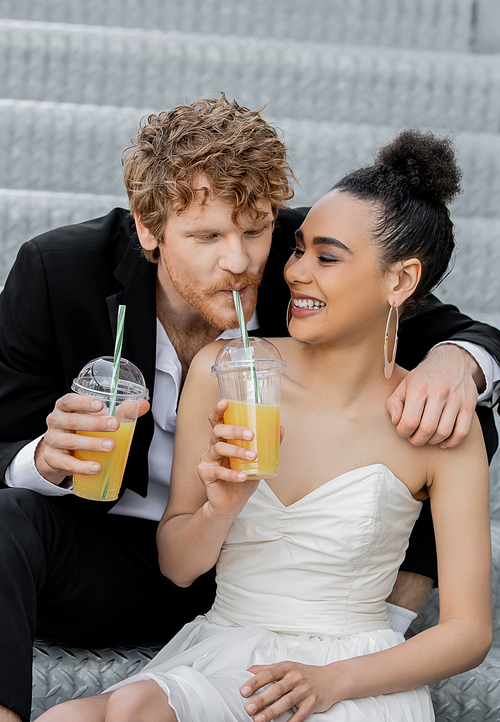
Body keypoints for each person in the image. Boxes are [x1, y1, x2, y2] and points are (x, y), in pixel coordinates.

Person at [0, 98, 498, 722]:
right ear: (148, 230)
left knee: (454, 411)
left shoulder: (299, 247)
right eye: (206, 237)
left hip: (290, 587)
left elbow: (440, 318)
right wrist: (45, 459)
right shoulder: (59, 272)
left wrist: (461, 360)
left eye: (257, 231)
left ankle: (390, 605)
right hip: (132, 550)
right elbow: (7, 443)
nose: (241, 263)